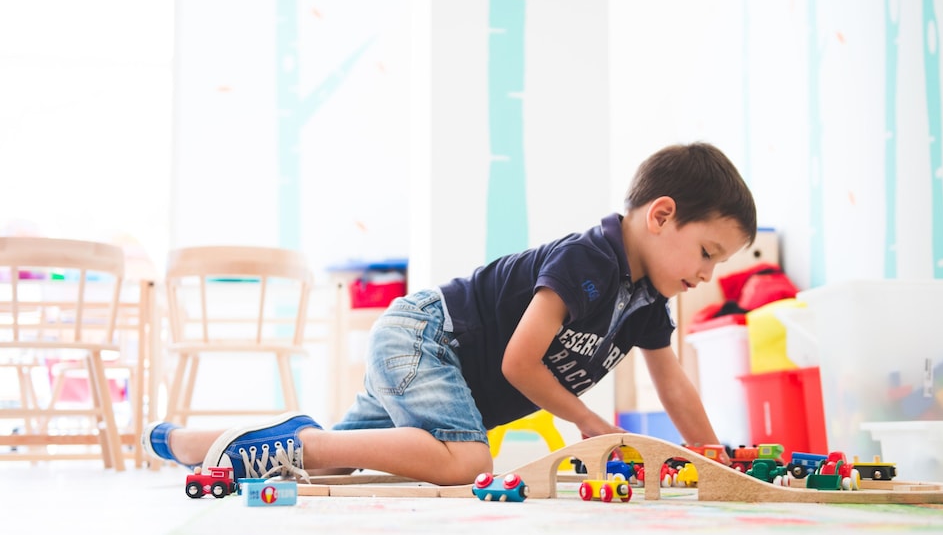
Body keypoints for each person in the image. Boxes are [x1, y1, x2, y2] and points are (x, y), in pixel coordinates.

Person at [142, 141, 757, 486]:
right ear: (660, 214)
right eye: (707, 253)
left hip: (436, 363)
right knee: (467, 460)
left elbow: (671, 379)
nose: (707, 275)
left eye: (718, 264)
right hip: (425, 338)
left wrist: (712, 455)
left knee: (348, 455)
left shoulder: (647, 301)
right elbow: (521, 363)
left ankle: (189, 442)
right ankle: (293, 443)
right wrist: (588, 421)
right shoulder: (590, 260)